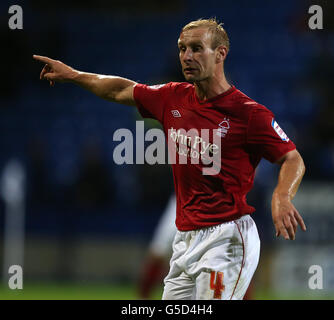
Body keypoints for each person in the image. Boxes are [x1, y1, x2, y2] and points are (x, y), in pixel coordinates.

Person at [33, 18, 306, 300]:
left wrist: (282, 195)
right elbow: (119, 89)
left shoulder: (249, 114)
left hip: (227, 238)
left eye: (197, 48)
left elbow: (292, 158)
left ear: (220, 53)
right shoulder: (172, 97)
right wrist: (75, 75)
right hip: (184, 239)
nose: (187, 56)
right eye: (182, 48)